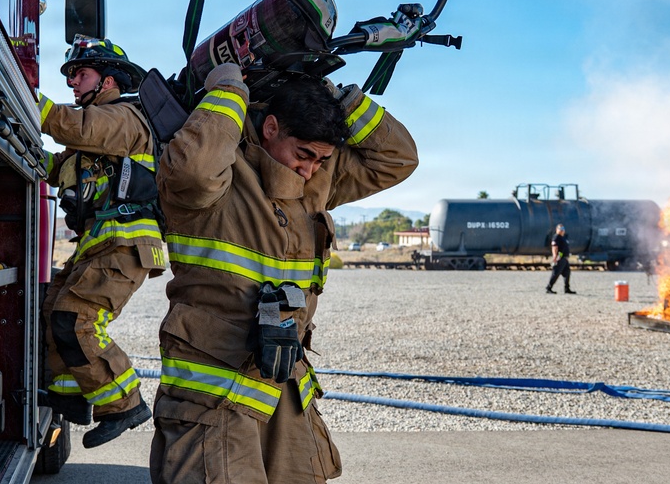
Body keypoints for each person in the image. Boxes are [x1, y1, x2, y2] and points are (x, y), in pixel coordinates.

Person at [149, 63, 418, 483]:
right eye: (304, 155)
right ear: (270, 127)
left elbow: (397, 158)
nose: (310, 170)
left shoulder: (314, 181)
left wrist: (345, 100)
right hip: (214, 399)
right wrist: (229, 91)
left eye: (322, 160)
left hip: (284, 387)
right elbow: (192, 170)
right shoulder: (218, 175)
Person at [38, 37, 168, 448]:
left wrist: (26, 100)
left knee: (76, 319)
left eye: (81, 74)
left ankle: (125, 405)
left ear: (108, 80)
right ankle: (70, 393)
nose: (73, 83)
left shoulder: (124, 117)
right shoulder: (88, 143)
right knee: (52, 311)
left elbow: (75, 125)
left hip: (127, 243)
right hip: (98, 244)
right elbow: (54, 167)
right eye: (71, 76)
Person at [546, 223, 575, 294]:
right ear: (557, 230)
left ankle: (567, 288)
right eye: (561, 229)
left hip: (564, 259)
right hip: (560, 258)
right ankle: (549, 288)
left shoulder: (563, 237)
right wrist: (555, 257)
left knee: (567, 273)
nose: (562, 231)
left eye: (563, 229)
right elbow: (554, 247)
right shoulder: (556, 237)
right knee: (556, 273)